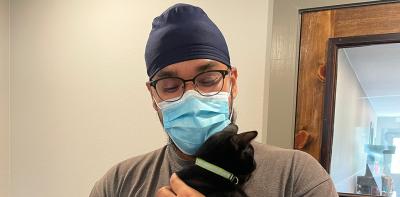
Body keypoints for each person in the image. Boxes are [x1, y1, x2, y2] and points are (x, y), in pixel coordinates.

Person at [89, 3, 338, 197]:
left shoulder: (296, 176)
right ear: (153, 96)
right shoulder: (119, 183)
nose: (190, 96)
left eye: (207, 80)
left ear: (233, 82)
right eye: (170, 86)